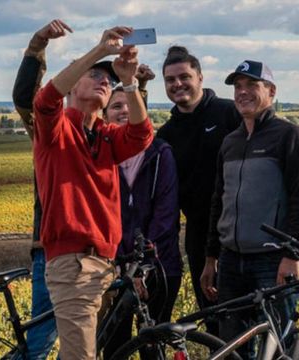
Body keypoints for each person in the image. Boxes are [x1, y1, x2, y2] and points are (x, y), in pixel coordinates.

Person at [33, 26, 153, 360]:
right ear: (72, 87)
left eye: (107, 79)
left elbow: (142, 134)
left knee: (85, 352)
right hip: (73, 262)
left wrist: (128, 82)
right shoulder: (56, 130)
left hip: (104, 262)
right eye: (94, 76)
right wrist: (100, 51)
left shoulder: (106, 136)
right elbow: (45, 100)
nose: (104, 81)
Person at [200, 60, 299, 358]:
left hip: (272, 261)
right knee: (234, 350)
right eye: (238, 87)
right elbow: (219, 200)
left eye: (252, 85)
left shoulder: (289, 135)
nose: (242, 92)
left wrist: (292, 254)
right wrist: (211, 258)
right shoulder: (230, 142)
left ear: (271, 91)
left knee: (279, 347)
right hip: (231, 263)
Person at [157, 46, 241, 334]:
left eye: (184, 76)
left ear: (200, 77)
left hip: (239, 230)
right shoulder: (166, 134)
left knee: (249, 318)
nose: (177, 84)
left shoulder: (229, 113)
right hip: (199, 236)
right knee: (214, 317)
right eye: (170, 80)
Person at [101, 68, 183, 357]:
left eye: (129, 106)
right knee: (115, 347)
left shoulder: (161, 154)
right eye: (116, 106)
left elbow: (165, 215)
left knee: (153, 344)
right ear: (105, 115)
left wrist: (143, 266)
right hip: (114, 269)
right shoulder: (101, 156)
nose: (124, 111)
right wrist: (122, 266)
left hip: (160, 265)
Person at [12, 19, 72, 359]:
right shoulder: (51, 133)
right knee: (40, 342)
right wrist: (37, 46)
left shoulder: (103, 135)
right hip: (52, 247)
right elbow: (25, 97)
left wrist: (136, 84)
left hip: (102, 253)